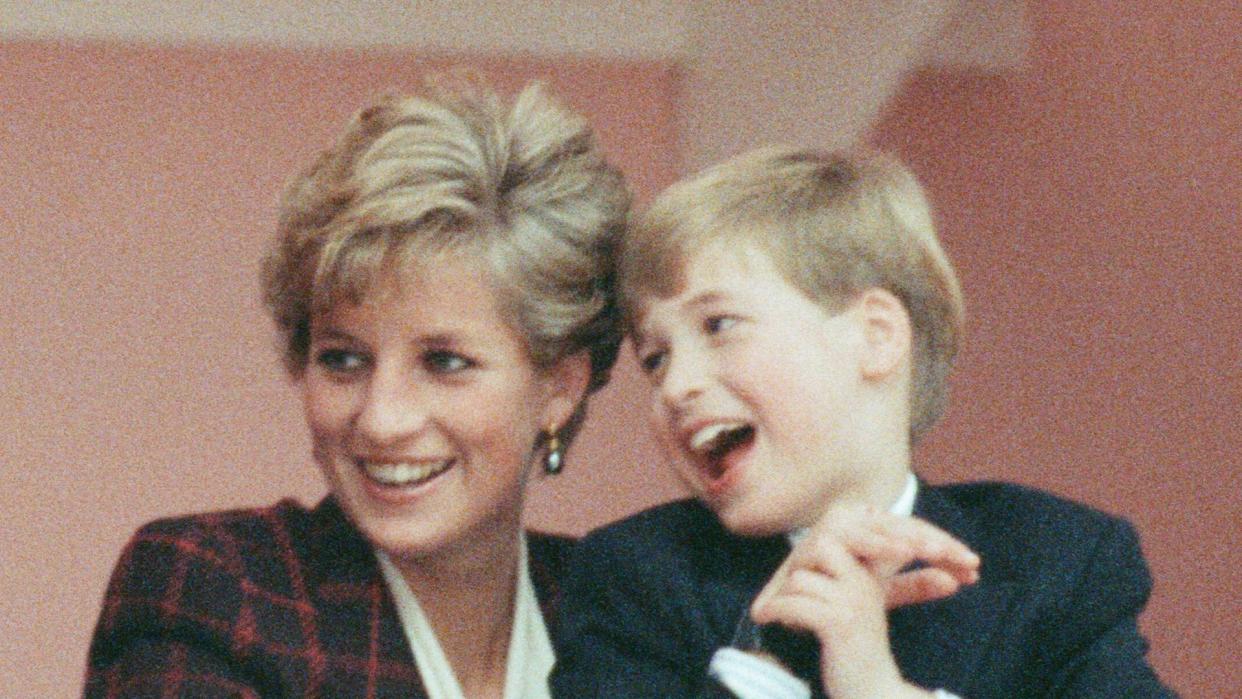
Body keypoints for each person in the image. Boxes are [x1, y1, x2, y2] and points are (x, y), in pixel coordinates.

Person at [550, 147, 1175, 697]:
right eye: (655, 359)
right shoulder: (633, 578)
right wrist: (770, 659)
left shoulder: (1056, 562)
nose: (677, 385)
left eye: (718, 325)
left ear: (875, 338)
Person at [84, 75, 628, 698]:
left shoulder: (621, 608)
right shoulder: (219, 587)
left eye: (444, 361)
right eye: (343, 359)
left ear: (560, 386)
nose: (380, 420)